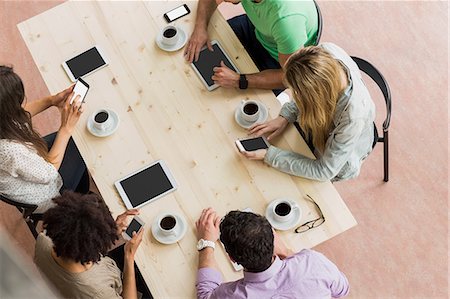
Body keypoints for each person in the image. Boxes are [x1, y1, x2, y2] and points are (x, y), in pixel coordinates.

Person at [239, 43, 376, 181]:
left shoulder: (352, 118)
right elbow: (308, 95)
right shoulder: (324, 52)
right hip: (320, 128)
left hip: (339, 158)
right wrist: (285, 116)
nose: (295, 96)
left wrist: (269, 156)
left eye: (298, 93)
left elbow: (325, 171)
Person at [195, 208, 349, 298]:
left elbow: (205, 295)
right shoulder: (312, 262)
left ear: (232, 258)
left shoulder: (234, 295)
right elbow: (342, 290)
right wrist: (288, 253)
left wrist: (206, 243)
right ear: (273, 239)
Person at [0, 65, 89, 213]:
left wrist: (52, 100)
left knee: (76, 141)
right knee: (82, 145)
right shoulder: (9, 150)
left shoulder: (5, 120)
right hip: (46, 193)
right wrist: (65, 129)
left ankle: (81, 190)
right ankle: (80, 196)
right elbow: (48, 174)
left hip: (31, 162)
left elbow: (18, 114)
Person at [35, 191, 152, 299]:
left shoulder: (43, 240)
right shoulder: (98, 293)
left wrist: (109, 232)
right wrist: (129, 256)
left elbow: (76, 244)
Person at [184, 0, 318, 94]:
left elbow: (290, 77)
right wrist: (200, 28)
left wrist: (239, 80)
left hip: (278, 59)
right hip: (259, 28)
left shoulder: (285, 21)